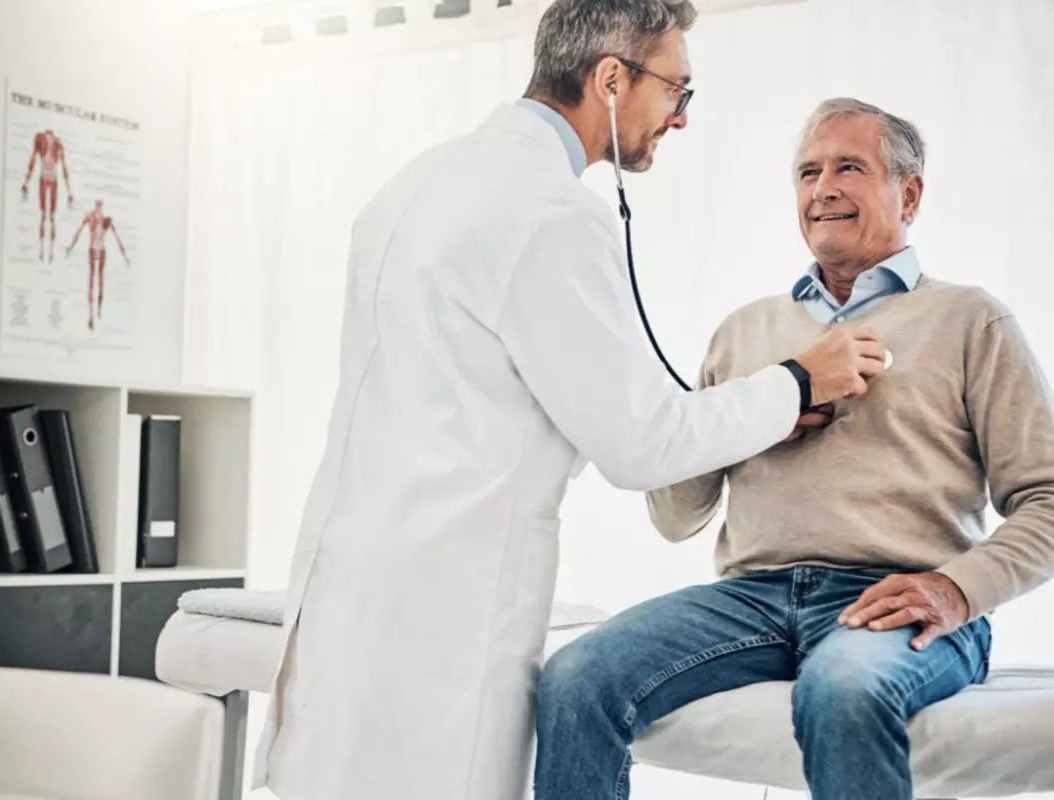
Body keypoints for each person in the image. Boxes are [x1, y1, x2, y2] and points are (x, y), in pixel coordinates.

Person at [250, 4, 889, 800]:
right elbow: (642, 444)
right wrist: (797, 381)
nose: (680, 120)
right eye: (676, 92)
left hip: (350, 584)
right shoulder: (551, 215)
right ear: (612, 80)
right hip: (444, 608)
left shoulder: (412, 184)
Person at [534, 97, 1054, 800]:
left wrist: (956, 591)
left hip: (890, 597)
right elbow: (675, 516)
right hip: (750, 598)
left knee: (844, 688)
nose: (823, 188)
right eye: (808, 172)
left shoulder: (971, 318)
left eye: (849, 167)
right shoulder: (745, 333)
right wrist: (756, 410)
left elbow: (1046, 501)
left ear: (910, 192)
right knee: (573, 676)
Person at [67, 200, 129, 331]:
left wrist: (124, 255)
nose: (98, 208)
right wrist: (71, 247)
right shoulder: (90, 217)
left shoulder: (106, 220)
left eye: (100, 206)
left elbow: (117, 238)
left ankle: (98, 311)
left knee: (100, 281)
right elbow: (79, 231)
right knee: (92, 281)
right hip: (93, 249)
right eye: (97, 206)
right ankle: (91, 316)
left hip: (101, 251)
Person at [21, 129, 73, 263]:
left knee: (50, 217)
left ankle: (49, 253)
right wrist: (26, 182)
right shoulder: (40, 140)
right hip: (44, 180)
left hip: (52, 180)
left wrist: (69, 191)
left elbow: (64, 167)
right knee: (45, 216)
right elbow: (32, 160)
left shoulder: (58, 144)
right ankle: (42, 252)